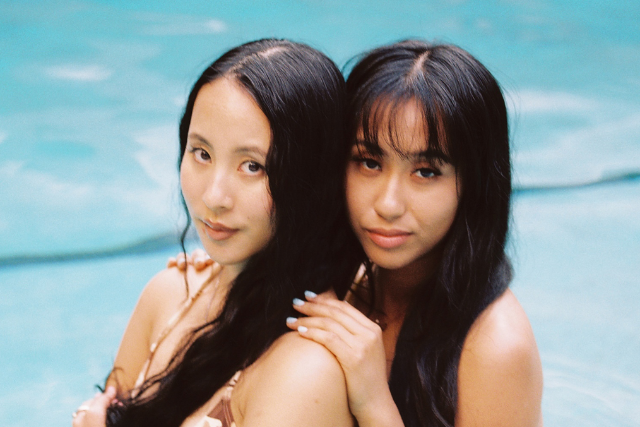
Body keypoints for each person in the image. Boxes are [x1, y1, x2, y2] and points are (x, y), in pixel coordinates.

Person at [178, 40, 544, 427]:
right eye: (369, 162)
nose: (388, 204)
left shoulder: (496, 348)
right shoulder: (342, 281)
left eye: (426, 172)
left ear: (474, 185)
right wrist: (235, 266)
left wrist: (374, 403)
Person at [71, 38, 363, 427]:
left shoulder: (305, 371)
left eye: (253, 166)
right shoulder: (169, 296)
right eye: (202, 154)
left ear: (314, 179)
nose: (214, 197)